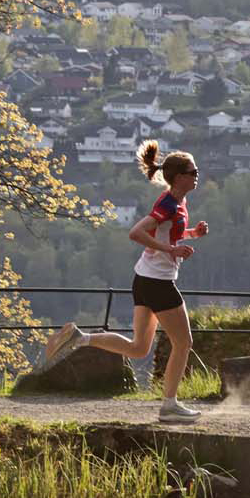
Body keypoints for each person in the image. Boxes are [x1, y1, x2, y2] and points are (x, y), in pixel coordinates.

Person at [42, 141, 207, 423]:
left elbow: (167, 234)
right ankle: (169, 405)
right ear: (179, 177)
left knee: (139, 347)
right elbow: (136, 233)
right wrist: (172, 251)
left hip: (144, 279)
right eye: (193, 171)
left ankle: (80, 338)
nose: (197, 175)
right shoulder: (168, 204)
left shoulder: (178, 203)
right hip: (158, 283)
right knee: (184, 342)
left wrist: (192, 234)